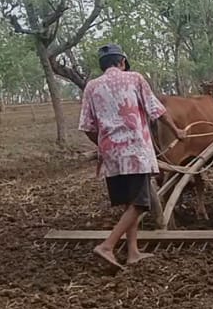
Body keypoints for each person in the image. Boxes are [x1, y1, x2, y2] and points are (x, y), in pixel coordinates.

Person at [78, 44, 186, 270]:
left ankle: (133, 252)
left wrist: (103, 144)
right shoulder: (135, 79)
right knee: (139, 205)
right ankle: (107, 246)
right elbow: (157, 111)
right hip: (136, 153)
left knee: (129, 203)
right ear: (122, 62)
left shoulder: (91, 87)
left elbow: (87, 126)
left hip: (111, 156)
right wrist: (177, 132)